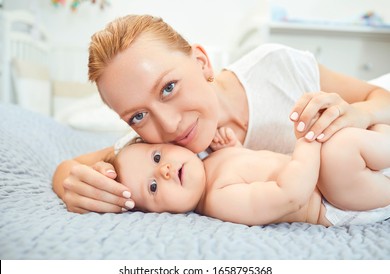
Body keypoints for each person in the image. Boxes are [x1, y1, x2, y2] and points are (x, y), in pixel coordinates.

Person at [52, 14, 390, 214]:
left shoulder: (278, 68)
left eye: (168, 87)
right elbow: (69, 169)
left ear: (201, 62)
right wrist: (72, 187)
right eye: (137, 116)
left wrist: (359, 113)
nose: (168, 125)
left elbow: (380, 98)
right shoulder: (156, 154)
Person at [112, 125, 390, 227]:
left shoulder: (210, 163)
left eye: (157, 157)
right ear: (159, 214)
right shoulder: (219, 199)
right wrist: (308, 142)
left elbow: (256, 168)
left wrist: (234, 149)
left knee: (371, 128)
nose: (164, 171)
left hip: (339, 184)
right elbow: (290, 195)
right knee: (340, 149)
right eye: (152, 187)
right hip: (334, 202)